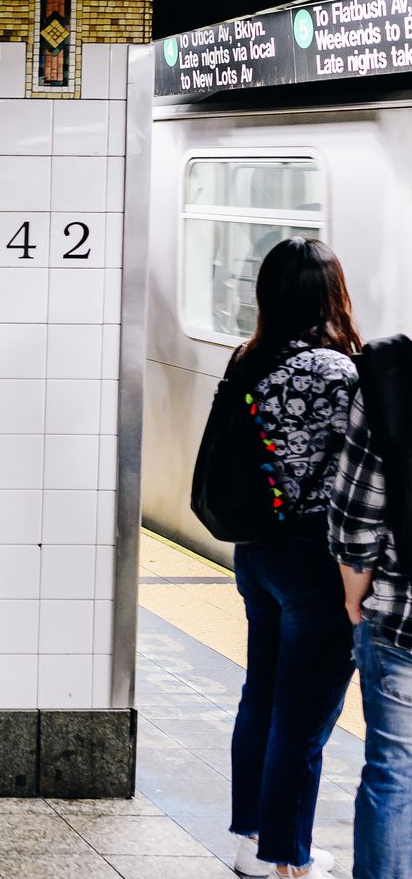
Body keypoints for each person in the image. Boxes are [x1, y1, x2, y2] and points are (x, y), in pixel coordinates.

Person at [216, 237, 359, 879]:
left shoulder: (247, 359)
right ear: (331, 295)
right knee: (303, 718)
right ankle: (290, 862)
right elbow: (361, 473)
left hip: (257, 554)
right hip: (316, 563)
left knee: (262, 697)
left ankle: (253, 843)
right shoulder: (337, 372)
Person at [333, 332, 412, 879]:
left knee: (395, 775)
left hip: (401, 620)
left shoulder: (391, 375)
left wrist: (353, 596)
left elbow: (355, 518)